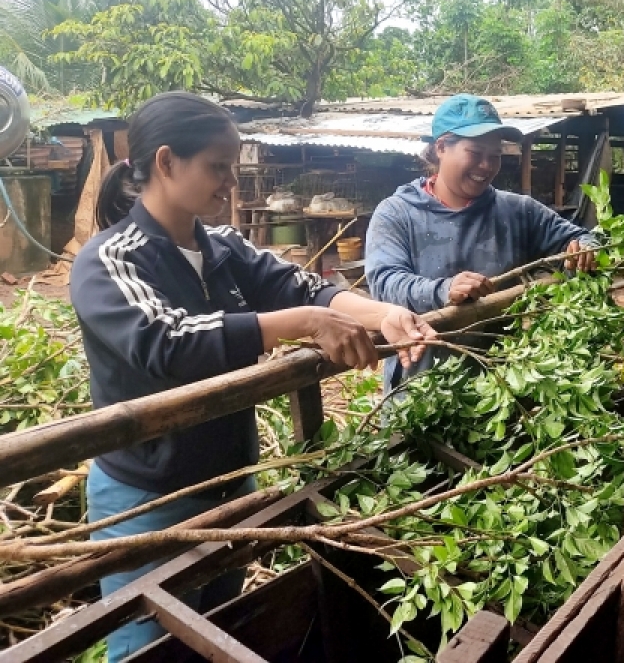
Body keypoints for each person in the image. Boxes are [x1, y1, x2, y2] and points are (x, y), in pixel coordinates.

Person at [70, 92, 434, 662]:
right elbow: (168, 343)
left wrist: (382, 314)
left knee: (222, 627)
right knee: (148, 650)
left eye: (233, 166)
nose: (231, 182)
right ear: (166, 162)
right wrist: (305, 324)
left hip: (232, 480)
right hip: (150, 498)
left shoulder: (223, 247)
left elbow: (304, 288)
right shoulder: (111, 259)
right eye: (218, 167)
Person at [366, 94, 596, 387]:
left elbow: (583, 237)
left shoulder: (518, 211)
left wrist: (585, 249)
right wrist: (444, 289)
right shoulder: (397, 213)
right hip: (421, 390)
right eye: (475, 153)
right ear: (441, 148)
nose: (487, 165)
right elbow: (385, 284)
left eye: (495, 155)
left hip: (503, 387)